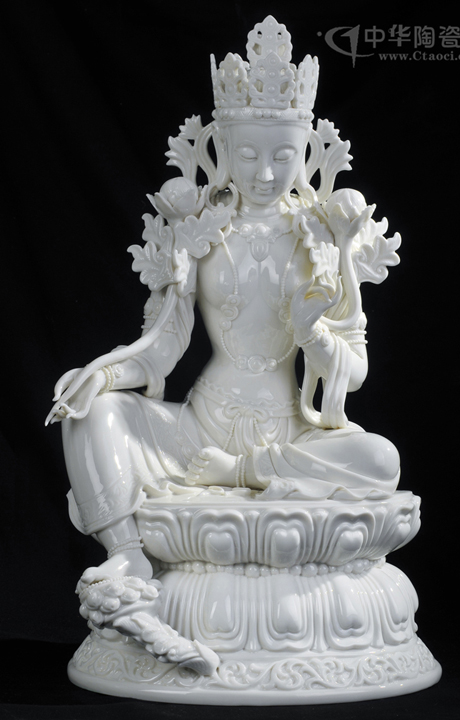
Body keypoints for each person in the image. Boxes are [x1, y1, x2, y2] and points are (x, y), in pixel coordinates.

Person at [47, 16, 400, 589]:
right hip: (196, 429)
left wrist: (312, 333)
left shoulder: (327, 236)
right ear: (225, 149)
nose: (265, 172)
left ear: (305, 151)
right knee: (92, 410)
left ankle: (243, 473)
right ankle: (128, 553)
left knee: (381, 460)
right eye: (249, 154)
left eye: (283, 155)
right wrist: (103, 374)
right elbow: (163, 344)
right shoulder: (199, 230)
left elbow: (353, 371)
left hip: (291, 435)